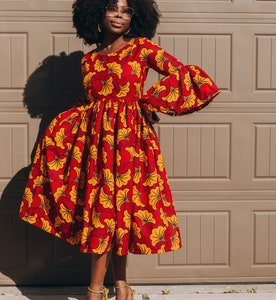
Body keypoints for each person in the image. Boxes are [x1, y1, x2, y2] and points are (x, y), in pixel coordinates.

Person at [19, 0, 220, 299]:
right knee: (109, 213)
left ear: (135, 19)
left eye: (127, 11)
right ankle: (122, 288)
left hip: (129, 144)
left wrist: (152, 104)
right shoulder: (88, 61)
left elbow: (183, 75)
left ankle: (96, 291)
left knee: (114, 213)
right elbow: (92, 105)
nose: (119, 15)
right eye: (113, 8)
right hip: (96, 146)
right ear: (97, 14)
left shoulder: (142, 49)